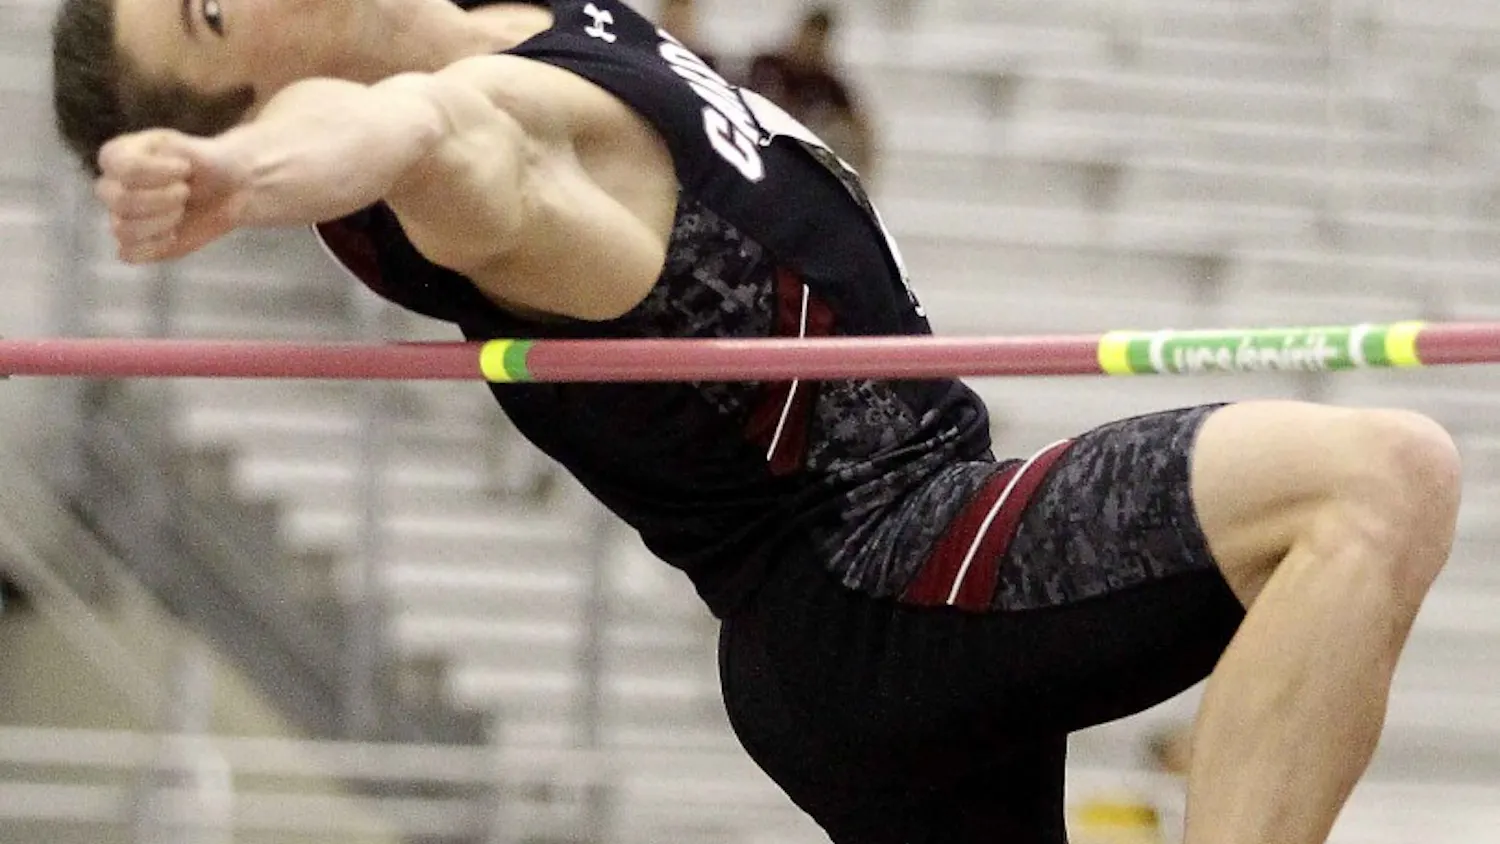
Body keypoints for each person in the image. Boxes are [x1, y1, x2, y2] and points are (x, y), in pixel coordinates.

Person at [52, 0, 1462, 841]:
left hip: (840, 626)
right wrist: (236, 169)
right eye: (209, 10)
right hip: (885, 569)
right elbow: (396, 134)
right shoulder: (472, 147)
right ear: (268, 89)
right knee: (1375, 482)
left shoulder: (518, 25)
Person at [745, 6, 877, 179]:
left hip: (794, 160)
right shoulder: (766, 65)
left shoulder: (828, 85)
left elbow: (861, 127)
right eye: (808, 38)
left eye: (817, 42)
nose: (809, 47)